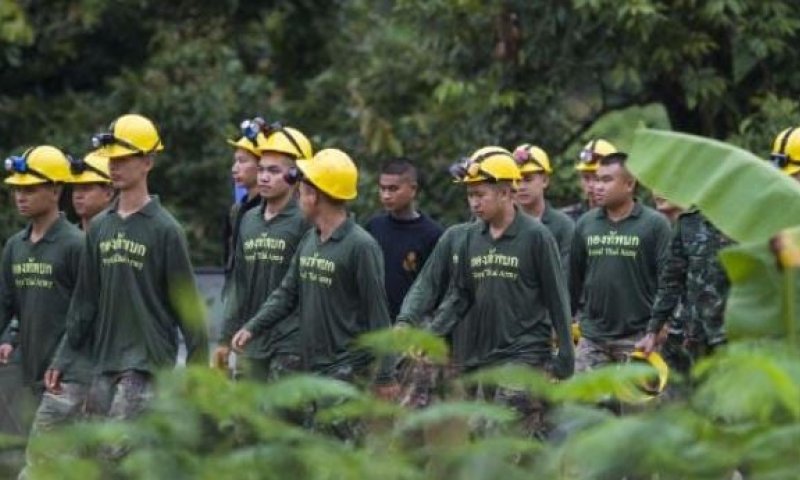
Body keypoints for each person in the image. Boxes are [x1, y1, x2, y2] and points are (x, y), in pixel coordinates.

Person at [59, 113, 209, 424]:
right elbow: (84, 303)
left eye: (124, 159)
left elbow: (188, 307)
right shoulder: (100, 227)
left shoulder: (166, 230)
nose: (114, 166)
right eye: (112, 159)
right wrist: (63, 358)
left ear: (148, 162)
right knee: (97, 450)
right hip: (104, 363)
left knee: (118, 448)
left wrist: (198, 374)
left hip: (148, 364)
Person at [428, 146, 574, 438]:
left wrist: (565, 354)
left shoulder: (540, 235)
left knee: (502, 433)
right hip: (484, 353)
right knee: (486, 435)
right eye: (470, 195)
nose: (474, 203)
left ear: (505, 193)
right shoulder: (470, 237)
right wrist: (432, 335)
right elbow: (460, 296)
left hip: (526, 351)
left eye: (480, 194)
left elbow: (558, 297)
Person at [231, 149, 398, 400]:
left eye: (301, 191)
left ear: (314, 196)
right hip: (311, 369)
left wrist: (385, 375)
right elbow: (286, 293)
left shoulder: (361, 246)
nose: (298, 197)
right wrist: (252, 327)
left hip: (346, 373)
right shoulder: (310, 239)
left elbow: (378, 314)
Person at [20, 150, 116, 478]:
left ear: (110, 191)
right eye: (76, 188)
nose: (78, 195)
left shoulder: (113, 244)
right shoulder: (69, 243)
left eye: (88, 187)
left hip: (95, 371)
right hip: (56, 368)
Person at [213, 122, 314, 381]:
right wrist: (224, 339)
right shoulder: (248, 220)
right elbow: (238, 284)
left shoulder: (306, 221)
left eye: (274, 171)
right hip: (250, 341)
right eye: (261, 169)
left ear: (295, 175)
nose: (264, 177)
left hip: (290, 343)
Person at [570, 152, 671, 372]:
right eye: (596, 179)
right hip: (593, 338)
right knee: (579, 394)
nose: (597, 186)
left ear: (629, 184)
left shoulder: (655, 225)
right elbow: (573, 281)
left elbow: (668, 281)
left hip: (639, 338)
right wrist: (564, 323)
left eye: (606, 180)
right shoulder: (585, 224)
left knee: (637, 396)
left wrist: (657, 328)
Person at [0, 146, 82, 398]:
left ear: (55, 191)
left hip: (66, 377)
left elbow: (86, 313)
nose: (20, 197)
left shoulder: (76, 245)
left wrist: (63, 361)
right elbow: (5, 305)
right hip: (24, 373)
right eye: (17, 189)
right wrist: (7, 338)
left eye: (30, 190)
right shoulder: (15, 245)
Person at [637, 209, 733, 361]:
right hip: (691, 335)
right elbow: (671, 280)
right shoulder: (688, 222)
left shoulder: (749, 220)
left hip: (733, 334)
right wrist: (653, 330)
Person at [365, 158, 443, 320]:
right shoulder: (374, 227)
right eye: (382, 188)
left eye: (393, 189)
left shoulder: (432, 234)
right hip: (374, 322)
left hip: (412, 325)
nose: (386, 195)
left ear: (413, 189)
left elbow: (437, 287)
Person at [513, 144, 575, 281]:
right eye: (516, 180)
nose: (521, 187)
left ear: (545, 180)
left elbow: (566, 277)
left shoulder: (563, 226)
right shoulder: (502, 224)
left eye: (528, 180)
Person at [222, 123, 265, 289]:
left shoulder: (270, 211)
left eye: (242, 161)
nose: (234, 169)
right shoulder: (236, 210)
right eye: (235, 161)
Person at [562, 139, 619, 222]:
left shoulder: (632, 219)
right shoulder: (567, 219)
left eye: (597, 178)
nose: (591, 185)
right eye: (586, 178)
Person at [69, 150, 115, 230]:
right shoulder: (66, 236)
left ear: (108, 193)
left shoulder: (122, 235)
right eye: (75, 189)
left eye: (85, 189)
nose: (78, 195)